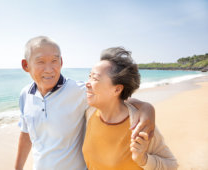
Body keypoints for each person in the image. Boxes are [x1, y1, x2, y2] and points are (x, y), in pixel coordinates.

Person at [15, 36, 155, 170]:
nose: (49, 69)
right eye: (40, 62)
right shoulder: (25, 94)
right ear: (26, 65)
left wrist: (146, 107)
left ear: (61, 62)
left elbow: (114, 97)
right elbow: (26, 134)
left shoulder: (78, 90)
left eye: (54, 60)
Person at [82, 47, 178, 169]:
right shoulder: (89, 112)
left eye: (95, 78)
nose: (87, 83)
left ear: (117, 89)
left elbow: (172, 165)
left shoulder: (139, 124)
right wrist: (146, 106)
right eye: (89, 76)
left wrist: (143, 160)